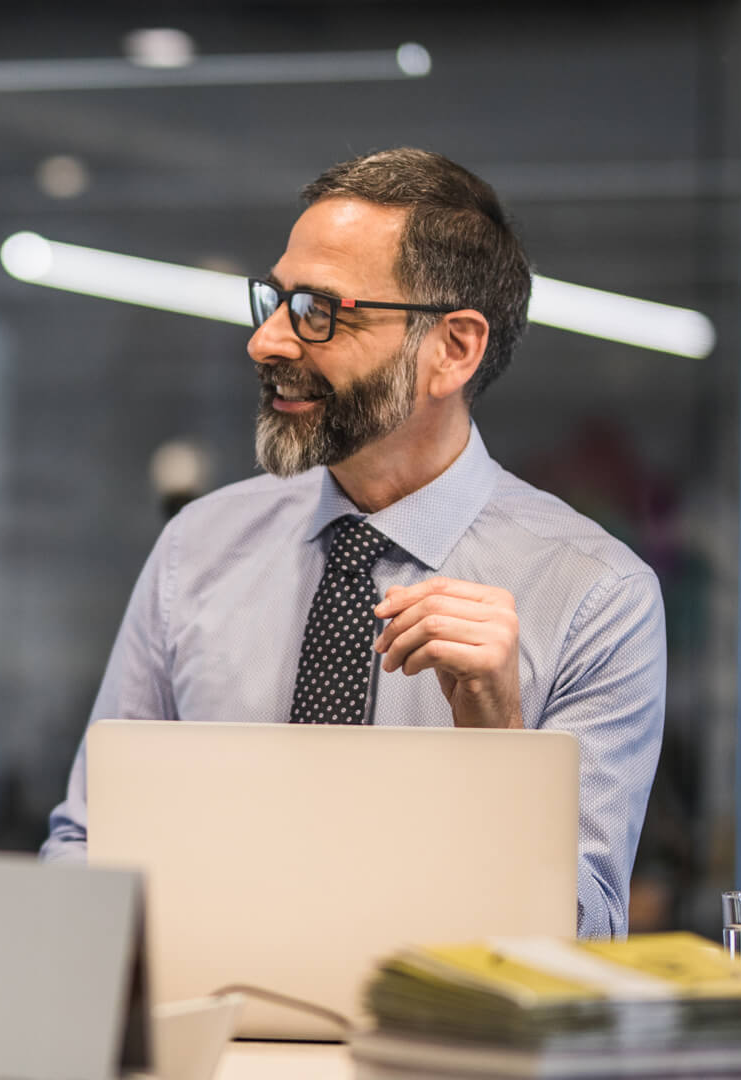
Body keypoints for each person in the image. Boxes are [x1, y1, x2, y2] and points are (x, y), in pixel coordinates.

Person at [42, 149, 664, 940]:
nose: (266, 341)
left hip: (438, 1057)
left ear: (453, 349)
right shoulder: (197, 547)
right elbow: (86, 842)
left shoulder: (593, 595)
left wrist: (499, 742)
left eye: (318, 310)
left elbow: (583, 936)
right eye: (274, 300)